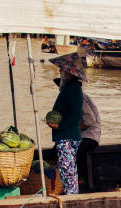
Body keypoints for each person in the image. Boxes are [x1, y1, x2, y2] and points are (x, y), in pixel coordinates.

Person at [47, 53, 86, 195]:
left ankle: (71, 199)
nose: (60, 72)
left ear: (69, 73)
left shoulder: (73, 89)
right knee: (68, 171)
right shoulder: (69, 88)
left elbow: (76, 116)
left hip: (67, 137)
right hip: (67, 136)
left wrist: (59, 126)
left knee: (68, 172)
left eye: (62, 70)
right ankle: (72, 196)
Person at [54, 76, 100, 187]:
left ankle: (81, 182)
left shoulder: (79, 97)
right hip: (79, 136)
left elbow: (90, 120)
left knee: (71, 153)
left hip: (89, 136)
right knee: (56, 150)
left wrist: (71, 130)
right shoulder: (70, 97)